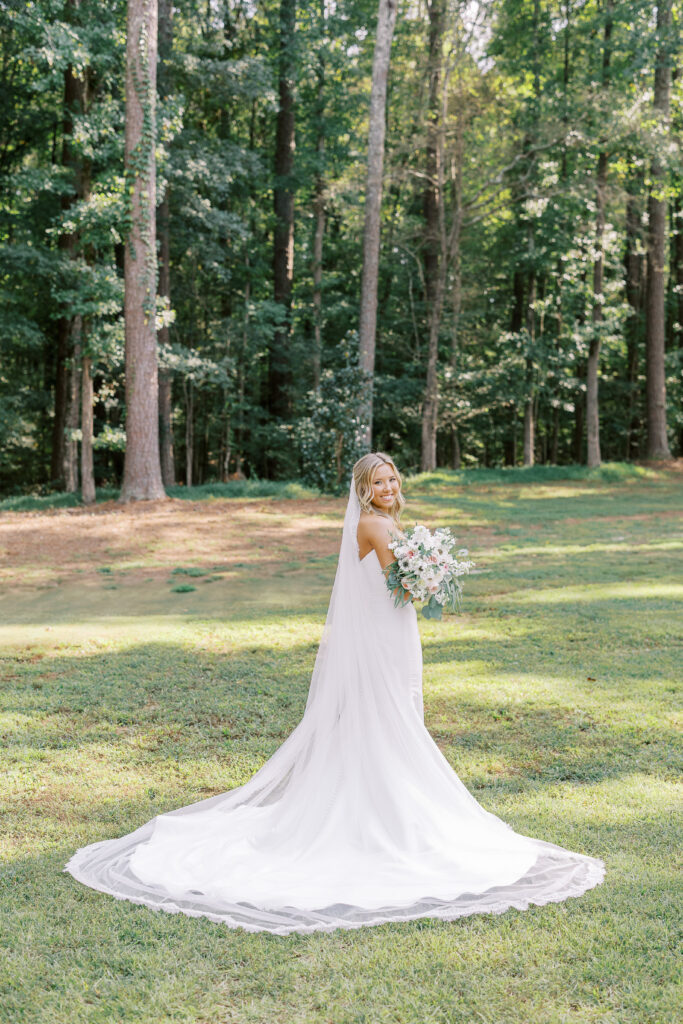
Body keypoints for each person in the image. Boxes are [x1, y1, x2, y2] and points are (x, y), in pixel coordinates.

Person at [65, 452, 604, 934]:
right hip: (389, 635)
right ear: (363, 489)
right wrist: (433, 574)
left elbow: (396, 585)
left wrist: (428, 564)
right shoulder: (374, 525)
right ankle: (382, 812)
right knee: (391, 713)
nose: (389, 488)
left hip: (393, 631)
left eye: (392, 479)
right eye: (378, 482)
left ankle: (388, 798)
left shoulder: (384, 522)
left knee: (394, 715)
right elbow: (407, 586)